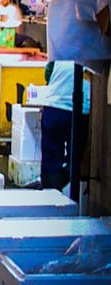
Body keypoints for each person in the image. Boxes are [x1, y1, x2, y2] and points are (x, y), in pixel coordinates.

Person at [37, 60, 90, 195]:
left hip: (54, 107)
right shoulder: (93, 50)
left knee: (51, 157)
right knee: (75, 156)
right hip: (80, 111)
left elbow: (48, 72)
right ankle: (65, 187)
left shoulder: (61, 48)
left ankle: (51, 196)